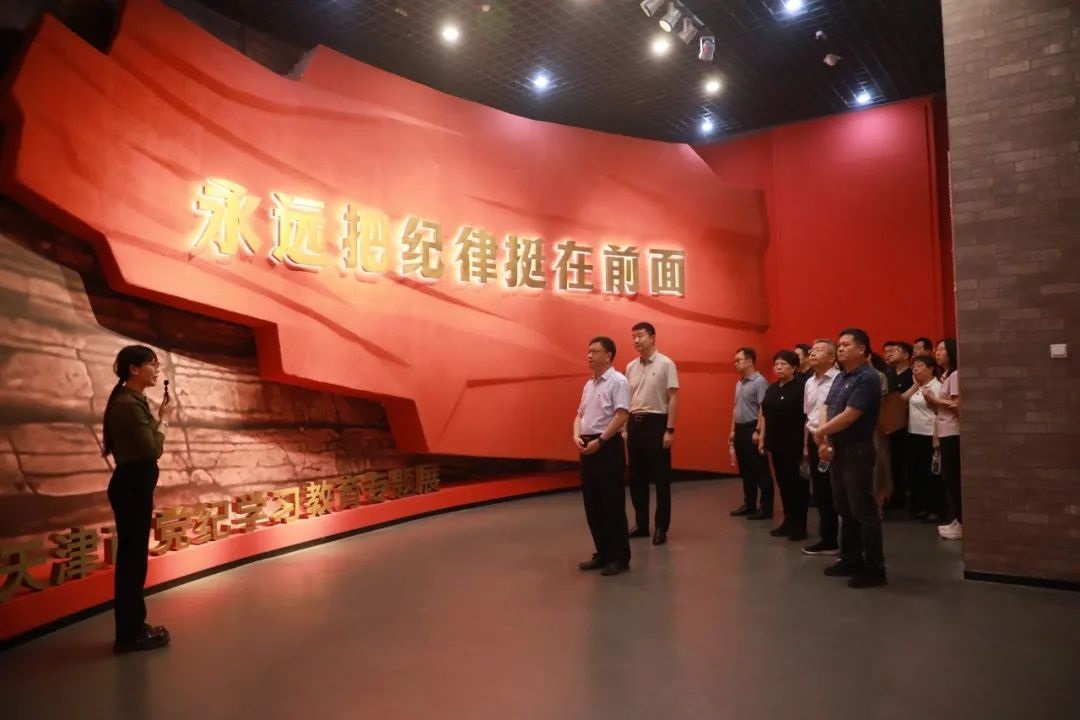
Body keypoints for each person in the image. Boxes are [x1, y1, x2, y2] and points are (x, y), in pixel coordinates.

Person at [101, 344, 173, 654]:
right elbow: (152, 448)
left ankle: (133, 626)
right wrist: (164, 420)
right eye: (152, 365)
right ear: (134, 368)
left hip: (133, 486)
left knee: (134, 560)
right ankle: (129, 635)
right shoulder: (128, 404)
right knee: (132, 563)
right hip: (132, 487)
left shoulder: (131, 400)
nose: (157, 371)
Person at [813, 328, 886, 588]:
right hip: (839, 449)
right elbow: (828, 407)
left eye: (846, 344)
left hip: (857, 450)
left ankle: (875, 568)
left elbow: (850, 415)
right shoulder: (842, 376)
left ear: (862, 349)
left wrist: (821, 432)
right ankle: (851, 558)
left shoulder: (867, 377)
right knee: (844, 507)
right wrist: (826, 438)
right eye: (839, 344)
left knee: (863, 510)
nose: (840, 348)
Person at [574, 336, 632, 576]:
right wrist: (576, 435)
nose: (589, 355)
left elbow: (621, 415)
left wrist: (601, 441)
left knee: (612, 504)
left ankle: (619, 557)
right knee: (593, 504)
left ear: (608, 355)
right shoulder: (589, 384)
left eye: (594, 351)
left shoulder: (618, 381)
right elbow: (579, 415)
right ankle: (603, 552)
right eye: (588, 351)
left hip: (607, 446)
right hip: (588, 446)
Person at [625, 322, 679, 545]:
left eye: (640, 335)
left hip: (657, 424)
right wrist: (625, 428)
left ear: (652, 337)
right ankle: (641, 524)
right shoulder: (630, 367)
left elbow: (673, 398)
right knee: (636, 478)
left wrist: (670, 429)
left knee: (661, 479)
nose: (636, 340)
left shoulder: (666, 363)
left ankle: (661, 527)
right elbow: (627, 398)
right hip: (634, 424)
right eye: (633, 337)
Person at [757, 350, 809, 540]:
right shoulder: (772, 388)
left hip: (794, 444)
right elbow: (764, 414)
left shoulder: (801, 387)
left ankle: (799, 526)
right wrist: (762, 438)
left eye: (784, 364)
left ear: (794, 367)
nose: (779, 367)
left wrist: (805, 446)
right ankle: (788, 521)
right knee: (783, 484)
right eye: (776, 364)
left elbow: (807, 418)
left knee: (797, 486)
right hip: (776, 443)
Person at [802, 339, 841, 555]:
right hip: (814, 438)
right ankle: (828, 539)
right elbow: (808, 416)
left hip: (834, 439)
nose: (812, 353)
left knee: (838, 491)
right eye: (811, 350)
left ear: (832, 357)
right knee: (821, 491)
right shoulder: (809, 382)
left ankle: (847, 543)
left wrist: (826, 437)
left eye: (818, 350)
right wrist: (806, 445)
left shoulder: (839, 379)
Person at [728, 348, 773, 519]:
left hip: (752, 428)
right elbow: (735, 408)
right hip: (740, 429)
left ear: (749, 361)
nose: (735, 363)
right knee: (746, 470)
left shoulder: (760, 382)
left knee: (760, 470)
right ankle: (749, 504)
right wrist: (732, 430)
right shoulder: (739, 382)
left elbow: (763, 409)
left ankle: (766, 508)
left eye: (738, 360)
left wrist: (758, 431)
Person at [928, 339, 962, 540]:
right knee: (948, 477)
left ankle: (961, 521)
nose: (937, 353)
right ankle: (956, 518)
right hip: (944, 430)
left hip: (953, 431)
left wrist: (934, 400)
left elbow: (957, 405)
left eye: (942, 349)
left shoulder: (956, 375)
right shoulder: (946, 375)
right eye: (937, 349)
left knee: (954, 477)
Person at [903, 355, 943, 523]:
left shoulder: (937, 386)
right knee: (916, 472)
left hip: (929, 434)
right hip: (914, 433)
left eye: (919, 365)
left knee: (930, 474)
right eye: (914, 366)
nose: (915, 368)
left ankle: (934, 509)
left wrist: (936, 438)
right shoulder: (918, 387)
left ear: (931, 368)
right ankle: (919, 507)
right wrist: (915, 385)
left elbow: (939, 412)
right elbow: (902, 400)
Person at [882, 341, 914, 512]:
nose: (891, 353)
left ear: (906, 355)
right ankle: (893, 495)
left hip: (909, 423)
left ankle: (907, 499)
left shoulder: (912, 374)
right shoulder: (888, 373)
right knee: (891, 461)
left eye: (896, 350)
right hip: (890, 423)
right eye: (890, 350)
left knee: (906, 462)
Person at [869, 353, 893, 516]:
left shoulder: (878, 376)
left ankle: (878, 504)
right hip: (854, 428)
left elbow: (883, 403)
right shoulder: (844, 376)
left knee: (878, 464)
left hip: (876, 425)